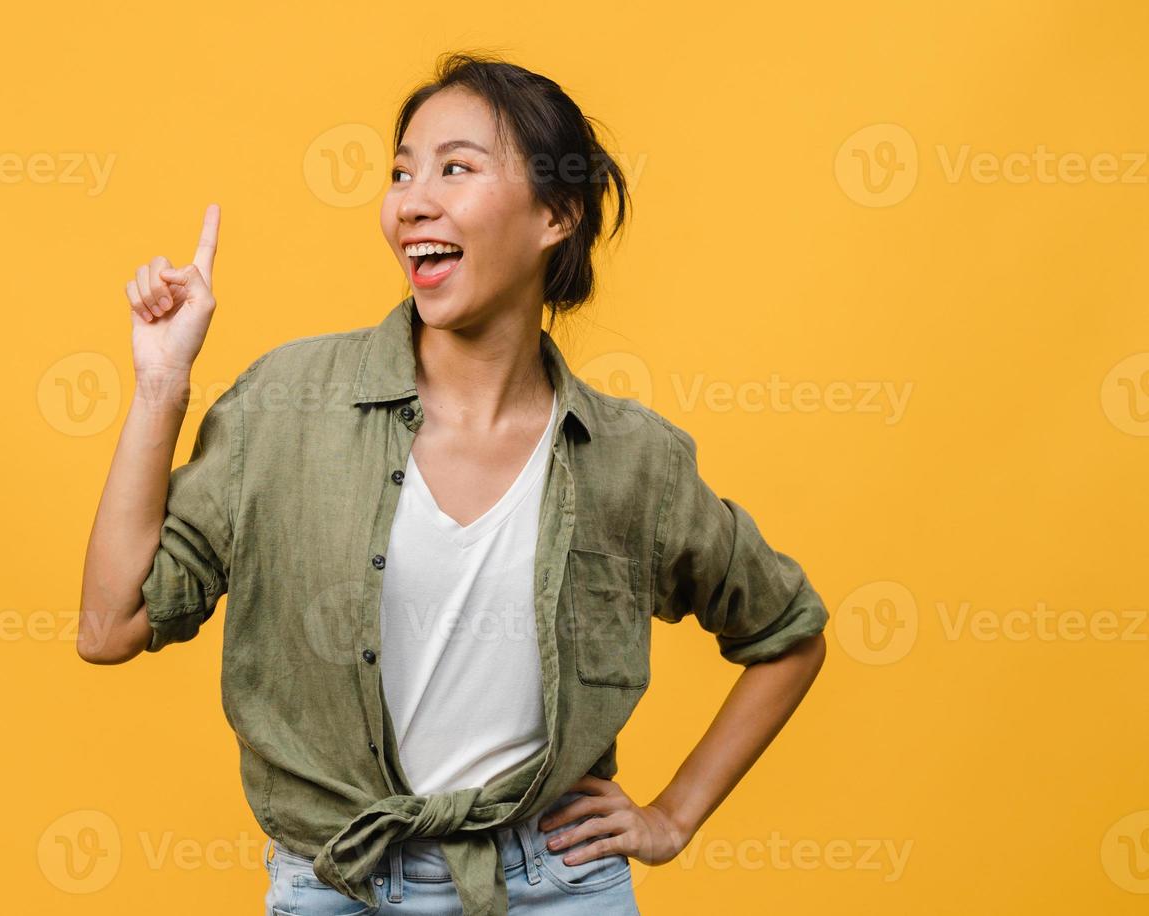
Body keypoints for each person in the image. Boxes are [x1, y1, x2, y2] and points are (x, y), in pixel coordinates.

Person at [77, 52, 830, 916]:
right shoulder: (285, 408)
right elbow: (110, 626)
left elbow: (788, 633)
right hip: (339, 885)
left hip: (558, 887)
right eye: (400, 172)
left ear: (557, 214)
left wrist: (672, 816)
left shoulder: (633, 458)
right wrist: (161, 384)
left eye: (455, 168)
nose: (411, 200)